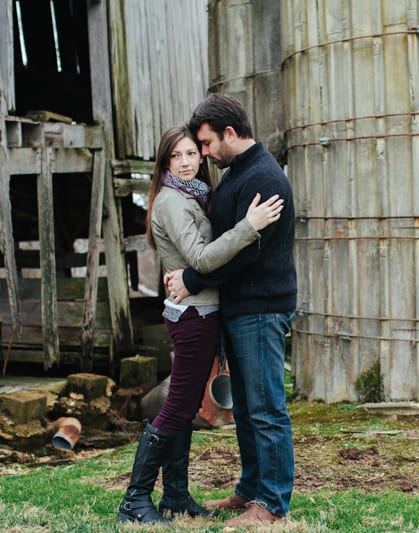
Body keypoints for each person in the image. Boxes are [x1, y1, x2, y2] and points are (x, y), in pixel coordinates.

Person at [118, 124, 284, 524]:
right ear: (165, 163)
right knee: (177, 407)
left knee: (186, 404)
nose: (186, 162)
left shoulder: (195, 196)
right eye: (176, 156)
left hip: (199, 312)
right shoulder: (174, 202)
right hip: (192, 316)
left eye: (192, 153)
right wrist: (250, 225)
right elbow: (201, 259)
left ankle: (174, 497)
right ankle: (134, 500)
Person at [164, 94, 297, 528]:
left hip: (261, 307)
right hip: (240, 309)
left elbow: (245, 255)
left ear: (229, 134)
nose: (202, 154)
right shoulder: (238, 173)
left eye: (204, 144)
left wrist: (193, 280)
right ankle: (250, 489)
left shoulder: (265, 178)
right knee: (246, 408)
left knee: (266, 407)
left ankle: (273, 504)